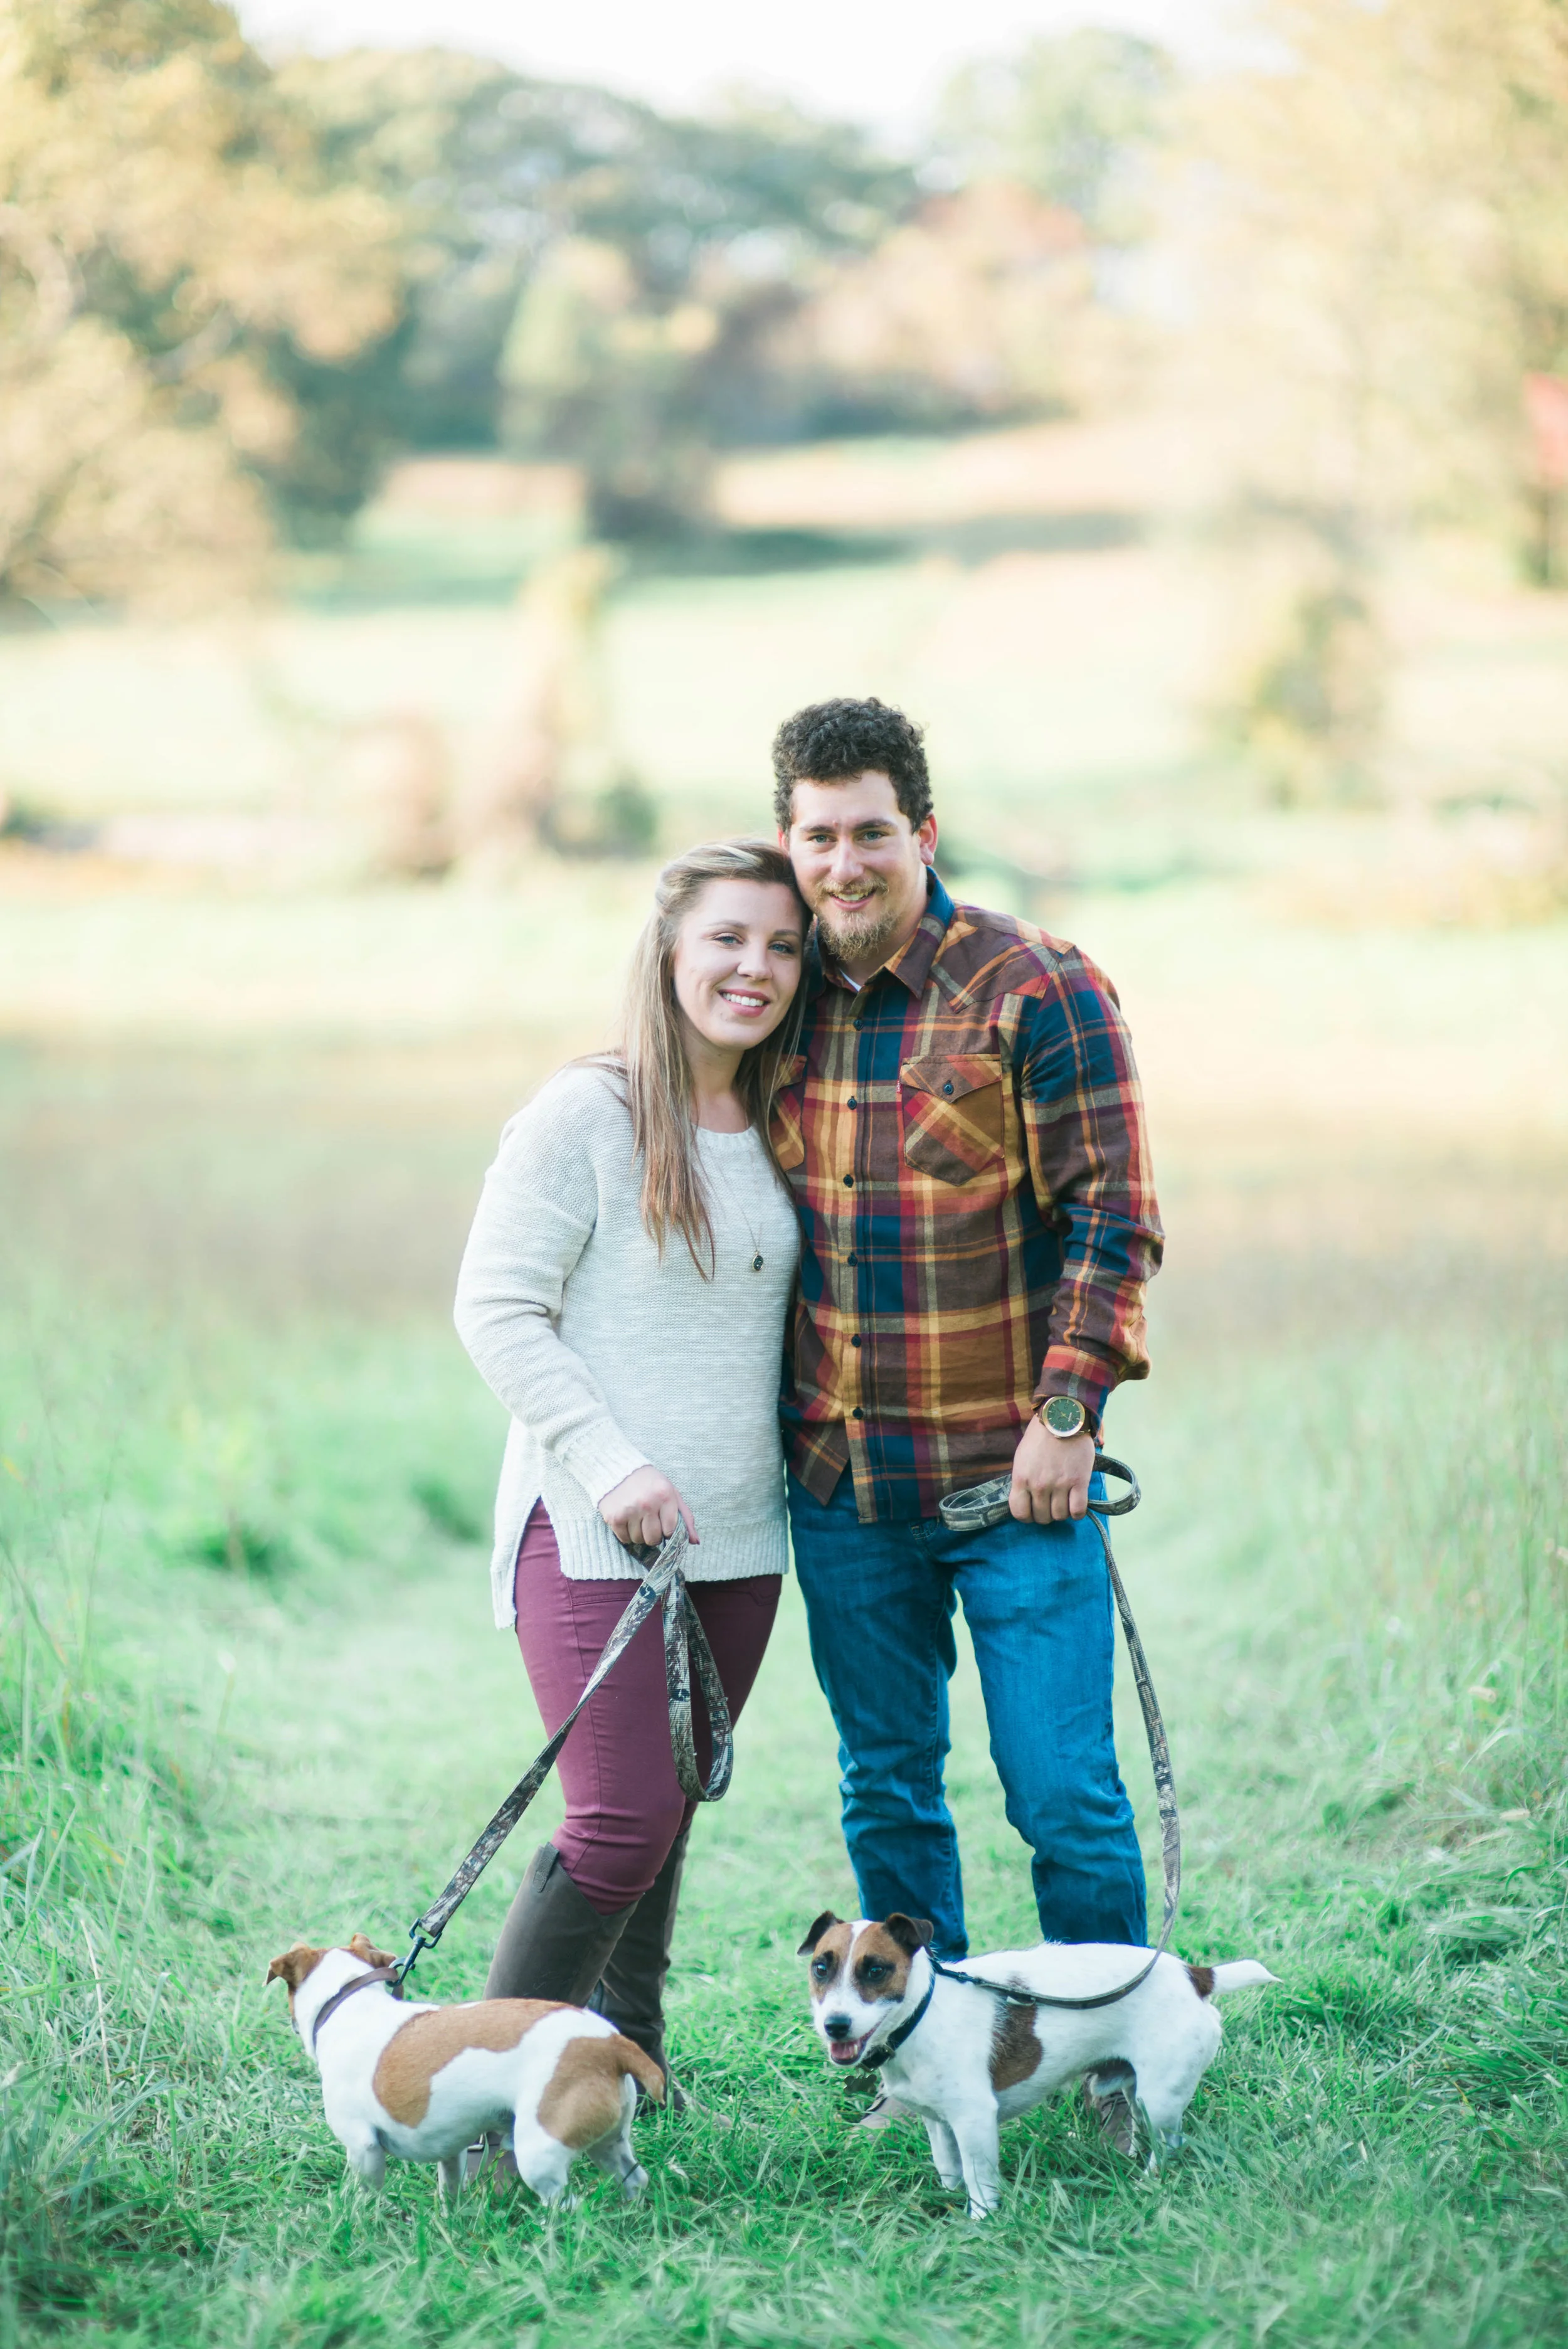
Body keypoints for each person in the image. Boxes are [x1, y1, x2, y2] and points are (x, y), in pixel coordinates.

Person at [768, 698, 1165, 2096]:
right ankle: (919, 2062)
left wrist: (1067, 1415)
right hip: (843, 1492)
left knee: (1060, 1793)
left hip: (1015, 1484)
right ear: (788, 844)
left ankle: (1109, 2064)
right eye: (816, 836)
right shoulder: (776, 998)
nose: (842, 862)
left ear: (920, 833)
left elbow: (1113, 1217)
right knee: (887, 1788)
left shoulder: (1034, 986)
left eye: (869, 830)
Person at [453, 838, 806, 2099]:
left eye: (781, 944)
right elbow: (495, 1309)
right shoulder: (583, 1114)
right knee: (614, 1824)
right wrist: (609, 1466)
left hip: (739, 1543)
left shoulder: (788, 1119)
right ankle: (484, 2094)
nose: (753, 968)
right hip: (591, 1525)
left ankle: (627, 2065)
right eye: (726, 938)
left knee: (663, 1819)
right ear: (667, 950)